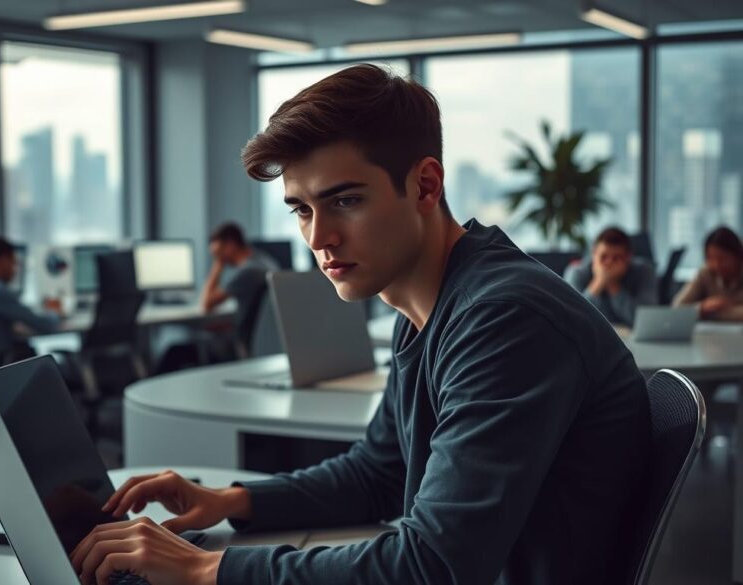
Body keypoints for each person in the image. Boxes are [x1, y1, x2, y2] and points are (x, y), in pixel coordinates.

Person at [72, 64, 650, 585]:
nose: (319, 237)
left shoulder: (505, 318)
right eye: (302, 209)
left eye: (345, 201)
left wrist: (203, 568)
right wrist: (231, 501)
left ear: (425, 186)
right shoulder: (427, 305)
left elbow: (433, 567)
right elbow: (378, 472)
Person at [564, 226, 657, 326]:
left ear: (628, 257)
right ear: (594, 254)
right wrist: (598, 282)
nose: (608, 263)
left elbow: (645, 320)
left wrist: (613, 285)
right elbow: (573, 319)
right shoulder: (576, 272)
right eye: (603, 257)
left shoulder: (644, 271)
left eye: (616, 258)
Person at [200, 222, 279, 313]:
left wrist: (218, 265)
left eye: (218, 253)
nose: (218, 258)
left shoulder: (247, 272)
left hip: (249, 322)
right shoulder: (266, 261)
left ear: (230, 245)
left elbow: (206, 304)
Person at [674, 226, 743, 321]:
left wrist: (714, 313)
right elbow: (676, 309)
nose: (716, 265)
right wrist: (702, 307)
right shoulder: (706, 272)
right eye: (710, 258)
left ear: (737, 256)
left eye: (722, 258)